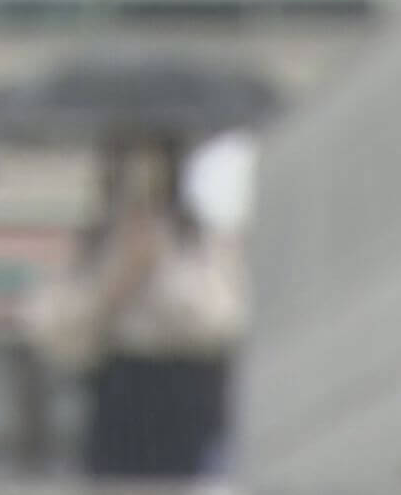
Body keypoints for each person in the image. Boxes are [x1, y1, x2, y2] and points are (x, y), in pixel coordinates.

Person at [20, 133, 245, 476]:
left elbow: (219, 322)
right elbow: (54, 327)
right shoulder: (93, 242)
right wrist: (117, 282)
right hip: (120, 389)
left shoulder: (195, 240)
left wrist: (161, 271)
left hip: (184, 390)